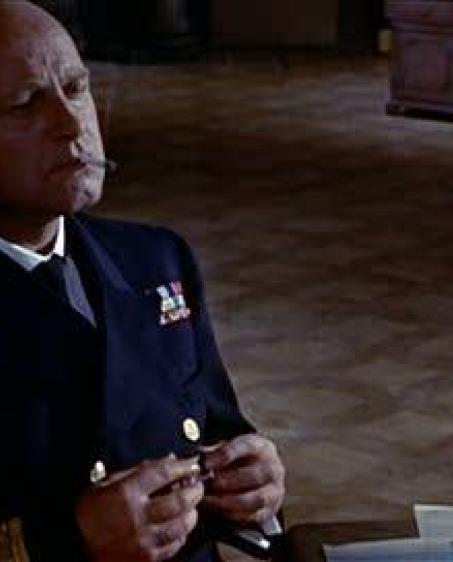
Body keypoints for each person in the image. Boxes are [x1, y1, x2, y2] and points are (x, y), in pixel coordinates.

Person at [0, 1, 285, 560]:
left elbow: (212, 430)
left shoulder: (155, 260)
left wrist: (255, 489)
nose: (73, 125)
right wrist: (70, 539)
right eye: (25, 104)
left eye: (75, 88)